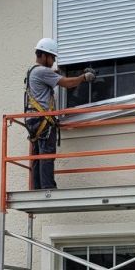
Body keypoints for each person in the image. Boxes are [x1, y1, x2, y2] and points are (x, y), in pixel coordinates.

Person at [25, 38, 94, 190]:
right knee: (47, 153)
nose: (54, 60)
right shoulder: (43, 71)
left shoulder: (33, 71)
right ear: (43, 56)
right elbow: (68, 83)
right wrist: (83, 77)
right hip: (43, 120)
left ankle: (37, 187)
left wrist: (53, 75)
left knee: (37, 155)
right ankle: (48, 187)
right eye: (52, 57)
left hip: (33, 119)